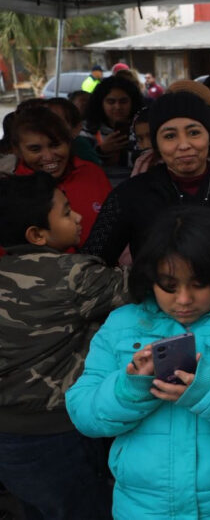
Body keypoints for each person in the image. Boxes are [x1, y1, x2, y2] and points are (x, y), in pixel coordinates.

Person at [67, 205, 210, 520]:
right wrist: (131, 388)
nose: (183, 299)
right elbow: (83, 412)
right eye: (168, 285)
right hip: (145, 507)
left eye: (198, 284)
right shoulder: (123, 323)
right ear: (149, 276)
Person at [0, 172, 130, 520]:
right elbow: (150, 283)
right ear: (37, 235)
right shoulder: (73, 275)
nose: (78, 217)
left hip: (8, 436)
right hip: (59, 433)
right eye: (66, 211)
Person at [81, 91, 210, 266]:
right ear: (156, 144)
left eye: (194, 133)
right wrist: (135, 285)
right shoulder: (129, 195)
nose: (184, 145)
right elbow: (90, 264)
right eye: (170, 136)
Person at [10, 107, 112, 246]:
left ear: (69, 142)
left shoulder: (93, 173)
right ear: (18, 151)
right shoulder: (10, 194)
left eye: (55, 145)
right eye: (35, 149)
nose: (48, 157)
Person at [83, 75, 144, 187]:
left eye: (123, 101)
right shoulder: (88, 129)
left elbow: (152, 159)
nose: (117, 107)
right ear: (101, 103)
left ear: (133, 102)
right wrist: (101, 151)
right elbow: (82, 162)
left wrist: (120, 158)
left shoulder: (143, 127)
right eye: (111, 102)